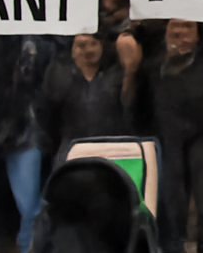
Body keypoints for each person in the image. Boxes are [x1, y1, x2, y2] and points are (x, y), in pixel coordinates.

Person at [130, 18, 203, 253]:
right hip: (168, 138)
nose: (181, 32)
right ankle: (184, 251)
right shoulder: (153, 65)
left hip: (202, 136)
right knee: (175, 198)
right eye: (175, 27)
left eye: (187, 27)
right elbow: (138, 103)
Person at [0, 35, 54, 253]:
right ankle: (23, 246)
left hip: (30, 130)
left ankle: (30, 248)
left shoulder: (45, 46)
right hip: (5, 128)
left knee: (28, 197)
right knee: (14, 196)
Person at [39, 33, 133, 161]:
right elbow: (48, 116)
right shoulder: (59, 74)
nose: (89, 50)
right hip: (72, 150)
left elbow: (130, 108)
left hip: (112, 150)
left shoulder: (116, 73)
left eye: (93, 44)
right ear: (73, 48)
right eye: (82, 45)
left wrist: (130, 71)